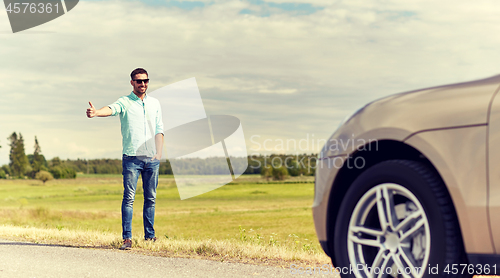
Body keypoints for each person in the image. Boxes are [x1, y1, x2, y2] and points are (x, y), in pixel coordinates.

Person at [86, 68, 164, 250]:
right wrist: (97, 112)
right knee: (129, 198)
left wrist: (159, 153)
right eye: (139, 81)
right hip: (132, 158)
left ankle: (149, 237)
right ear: (132, 83)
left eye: (145, 80)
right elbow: (112, 109)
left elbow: (159, 129)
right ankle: (127, 239)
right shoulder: (125, 102)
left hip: (152, 159)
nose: (142, 84)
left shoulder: (155, 103)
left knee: (150, 198)